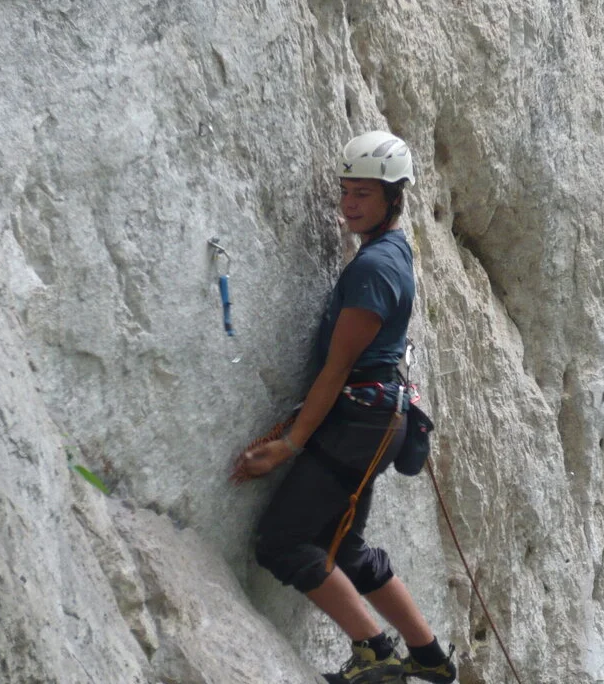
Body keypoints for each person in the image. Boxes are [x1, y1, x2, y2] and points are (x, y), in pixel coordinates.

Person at [230, 131, 458, 684]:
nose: (349, 205)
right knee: (345, 544)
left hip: (359, 421)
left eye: (363, 195)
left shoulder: (373, 269)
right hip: (379, 419)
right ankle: (428, 656)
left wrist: (288, 445)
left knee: (284, 543)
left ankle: (375, 654)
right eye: (346, 192)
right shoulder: (391, 252)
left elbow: (336, 369)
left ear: (393, 199)